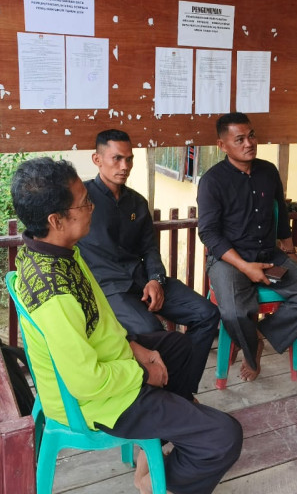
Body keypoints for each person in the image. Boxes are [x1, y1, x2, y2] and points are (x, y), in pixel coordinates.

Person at [10, 157, 242, 494]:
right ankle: (155, 482)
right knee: (224, 436)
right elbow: (86, 382)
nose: (91, 208)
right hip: (95, 401)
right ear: (56, 220)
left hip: (109, 363)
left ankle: (157, 437)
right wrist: (143, 373)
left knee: (178, 346)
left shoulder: (56, 250)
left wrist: (136, 349)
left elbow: (102, 319)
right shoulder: (54, 293)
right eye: (84, 203)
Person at [78, 130, 220, 397]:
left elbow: (149, 248)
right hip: (109, 288)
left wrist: (156, 279)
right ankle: (161, 398)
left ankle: (182, 392)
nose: (125, 166)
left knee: (207, 314)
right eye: (117, 158)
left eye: (129, 159)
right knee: (151, 331)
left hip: (143, 280)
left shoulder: (137, 202)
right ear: (97, 159)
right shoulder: (81, 201)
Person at [197, 112, 297, 382]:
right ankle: (251, 346)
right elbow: (208, 233)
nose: (249, 143)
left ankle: (258, 335)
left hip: (269, 255)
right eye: (240, 139)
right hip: (229, 260)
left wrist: (290, 252)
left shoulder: (268, 171)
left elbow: (281, 217)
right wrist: (245, 267)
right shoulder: (212, 181)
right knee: (235, 312)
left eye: (252, 136)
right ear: (222, 145)